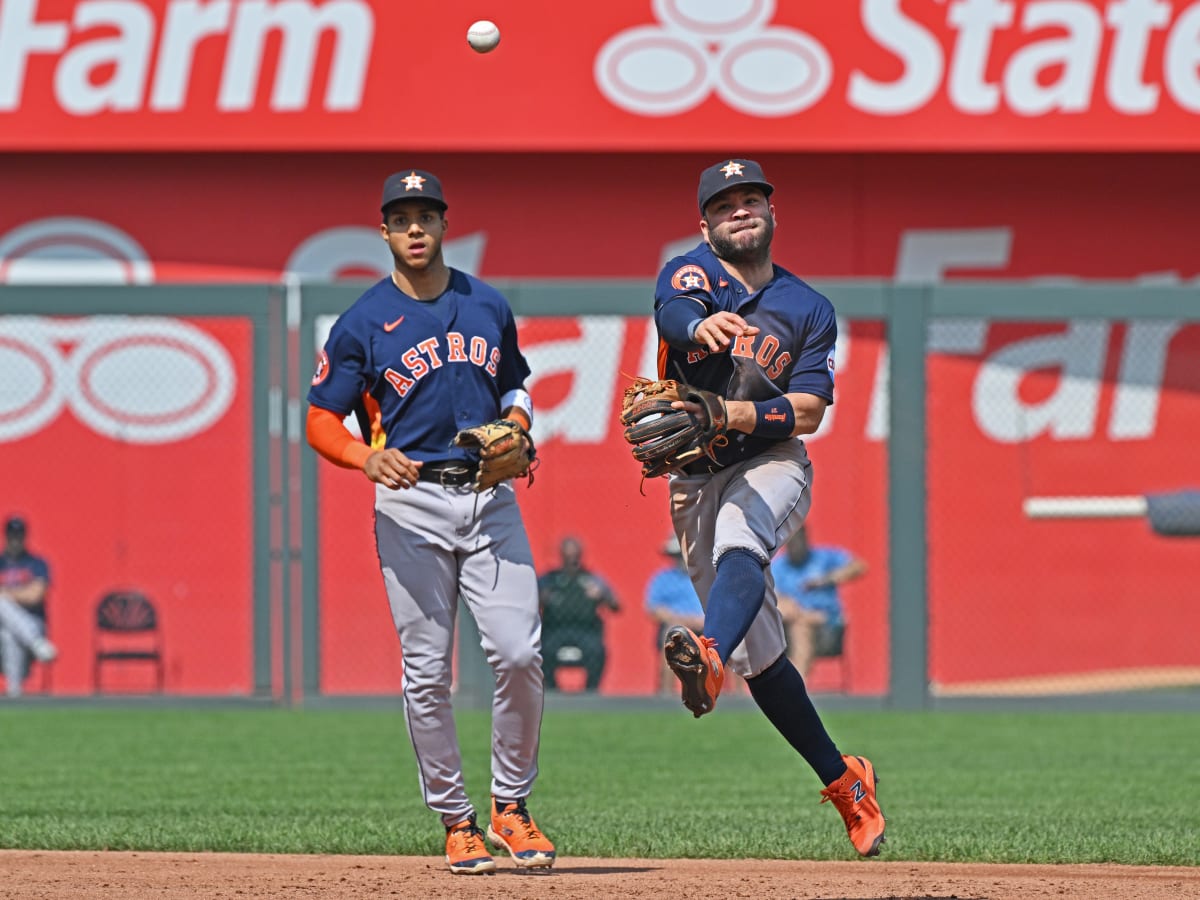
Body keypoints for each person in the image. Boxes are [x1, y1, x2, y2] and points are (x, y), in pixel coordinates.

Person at [305, 169, 554, 875]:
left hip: (487, 493)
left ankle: (512, 806)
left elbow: (514, 381)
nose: (416, 229)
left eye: (427, 216)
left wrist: (517, 418)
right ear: (383, 231)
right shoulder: (361, 321)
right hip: (409, 498)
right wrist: (361, 457)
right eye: (402, 218)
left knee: (518, 653)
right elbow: (321, 415)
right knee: (426, 673)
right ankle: (456, 819)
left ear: (445, 225)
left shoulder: (486, 303)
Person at [649, 159, 886, 857]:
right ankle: (847, 780)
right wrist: (698, 331)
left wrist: (730, 410)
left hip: (770, 462)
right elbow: (674, 312)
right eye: (725, 205)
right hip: (694, 478)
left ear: (773, 215)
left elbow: (808, 411)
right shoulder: (690, 276)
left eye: (752, 199)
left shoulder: (808, 307)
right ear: (706, 224)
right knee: (766, 662)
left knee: (740, 539)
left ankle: (709, 650)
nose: (741, 210)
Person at [772, 525, 867, 678]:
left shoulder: (824, 558)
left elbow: (859, 566)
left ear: (805, 540)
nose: (794, 547)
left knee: (802, 626)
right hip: (789, 625)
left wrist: (826, 579)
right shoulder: (779, 567)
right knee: (794, 622)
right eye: (790, 542)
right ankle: (741, 695)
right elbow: (770, 595)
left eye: (798, 541)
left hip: (826, 625)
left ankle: (797, 688)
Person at [537, 536, 619, 691]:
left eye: (575, 557)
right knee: (543, 651)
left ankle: (590, 693)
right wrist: (541, 598)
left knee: (596, 651)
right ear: (561, 556)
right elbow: (527, 604)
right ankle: (552, 691)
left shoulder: (592, 579)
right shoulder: (548, 580)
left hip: (585, 631)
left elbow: (616, 605)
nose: (572, 561)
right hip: (555, 631)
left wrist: (602, 595)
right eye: (568, 557)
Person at [0, 516, 57, 698]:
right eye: (12, 536)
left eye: (19, 536)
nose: (15, 540)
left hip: (33, 621)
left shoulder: (36, 564)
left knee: (9, 633)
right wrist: (17, 594)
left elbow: (36, 595)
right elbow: (27, 592)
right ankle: (35, 642)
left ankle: (14, 693)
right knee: (6, 628)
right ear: (6, 536)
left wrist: (4, 593)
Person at [644, 536, 704, 695]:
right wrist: (683, 621)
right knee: (671, 633)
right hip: (677, 627)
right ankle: (666, 695)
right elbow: (653, 610)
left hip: (706, 627)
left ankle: (735, 697)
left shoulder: (707, 577)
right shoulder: (663, 579)